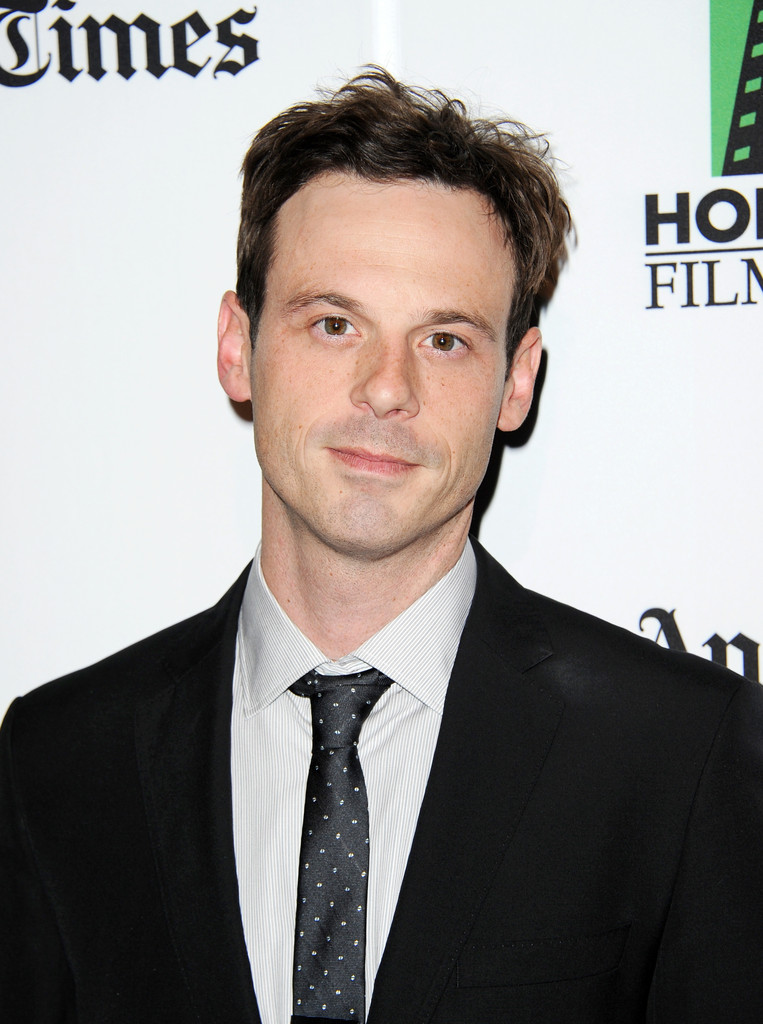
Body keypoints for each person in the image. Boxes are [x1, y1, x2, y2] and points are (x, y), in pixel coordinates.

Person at [2, 68, 762, 1024]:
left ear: (516, 381)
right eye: (333, 324)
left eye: (444, 340)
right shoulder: (60, 759)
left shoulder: (678, 753)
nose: (387, 388)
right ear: (238, 347)